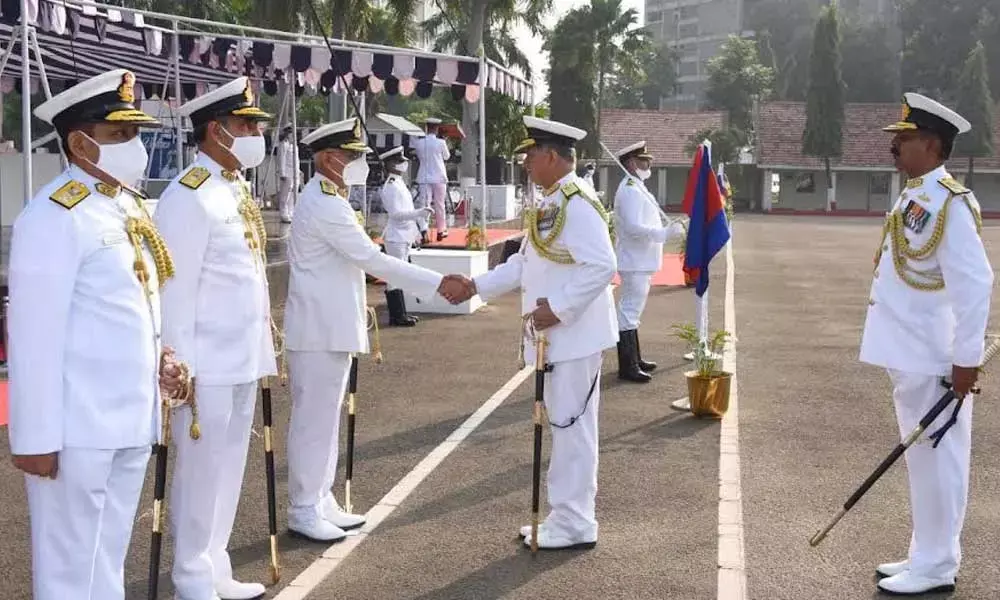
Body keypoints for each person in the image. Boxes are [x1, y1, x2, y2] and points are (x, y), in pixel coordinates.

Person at [7, 68, 186, 600]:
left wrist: (161, 360)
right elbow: (33, 336)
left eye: (134, 133)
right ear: (80, 143)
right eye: (118, 135)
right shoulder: (53, 216)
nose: (134, 146)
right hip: (76, 428)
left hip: (129, 418)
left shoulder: (124, 204)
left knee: (107, 560)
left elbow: (128, 307)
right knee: (68, 573)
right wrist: (34, 439)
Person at [282, 118, 463, 542]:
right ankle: (303, 508)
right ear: (329, 159)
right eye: (352, 156)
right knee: (313, 423)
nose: (359, 164)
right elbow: (372, 259)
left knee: (326, 422)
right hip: (319, 330)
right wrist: (438, 282)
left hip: (329, 327)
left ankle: (319, 498)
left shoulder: (329, 197)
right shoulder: (325, 203)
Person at [446, 116, 618, 550]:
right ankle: (565, 516)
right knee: (563, 426)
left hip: (574, 336)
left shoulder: (577, 203)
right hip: (558, 339)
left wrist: (558, 309)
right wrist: (476, 285)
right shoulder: (552, 201)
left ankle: (576, 522)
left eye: (531, 154)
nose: (525, 162)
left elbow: (603, 265)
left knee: (572, 428)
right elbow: (525, 263)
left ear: (552, 156)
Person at [860, 92, 993, 596]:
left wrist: (966, 361)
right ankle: (926, 553)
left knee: (940, 460)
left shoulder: (950, 203)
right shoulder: (915, 195)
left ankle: (937, 565)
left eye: (906, 139)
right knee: (923, 460)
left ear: (933, 145)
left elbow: (974, 285)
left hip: (935, 358)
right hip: (909, 353)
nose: (895, 148)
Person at [154, 76, 277, 600]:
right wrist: (180, 367)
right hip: (205, 364)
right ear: (215, 130)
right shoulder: (189, 196)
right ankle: (190, 575)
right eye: (245, 125)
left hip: (243, 355)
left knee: (228, 470)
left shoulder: (235, 188)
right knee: (200, 473)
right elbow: (174, 290)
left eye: (254, 125)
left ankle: (215, 565)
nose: (255, 134)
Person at [612, 141, 685, 383]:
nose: (649, 165)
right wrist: (664, 233)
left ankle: (635, 359)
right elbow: (633, 227)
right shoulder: (630, 190)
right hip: (635, 260)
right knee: (629, 312)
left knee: (633, 311)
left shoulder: (637, 186)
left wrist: (666, 229)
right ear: (632, 163)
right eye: (644, 161)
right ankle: (628, 366)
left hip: (641, 260)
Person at [379, 145, 435, 326]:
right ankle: (396, 316)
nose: (403, 164)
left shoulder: (400, 183)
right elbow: (396, 214)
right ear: (390, 164)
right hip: (395, 237)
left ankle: (402, 314)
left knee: (400, 275)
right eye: (398, 161)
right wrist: (419, 213)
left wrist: (422, 227)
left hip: (404, 236)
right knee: (395, 276)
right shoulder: (390, 186)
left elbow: (409, 209)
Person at [411, 117, 450, 241]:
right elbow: (447, 156)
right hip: (439, 176)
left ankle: (424, 230)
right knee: (440, 204)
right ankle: (441, 230)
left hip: (424, 176)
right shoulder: (441, 142)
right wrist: (444, 141)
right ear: (437, 129)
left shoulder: (419, 143)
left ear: (426, 128)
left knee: (424, 204)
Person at [277, 125, 300, 223]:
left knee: (293, 195)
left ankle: (291, 212)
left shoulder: (294, 146)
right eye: (291, 133)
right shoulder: (283, 144)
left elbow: (296, 160)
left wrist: (299, 171)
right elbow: (281, 159)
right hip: (287, 172)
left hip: (295, 173)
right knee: (285, 195)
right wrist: (282, 173)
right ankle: (284, 214)